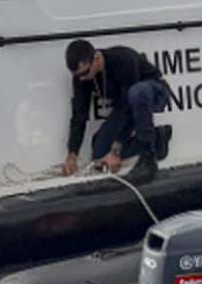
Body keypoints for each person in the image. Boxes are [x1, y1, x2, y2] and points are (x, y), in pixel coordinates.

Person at [61, 41, 173, 181]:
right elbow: (79, 114)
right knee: (99, 153)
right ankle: (157, 138)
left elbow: (130, 106)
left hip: (153, 91)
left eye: (85, 72)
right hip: (125, 104)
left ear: (96, 57)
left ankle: (147, 157)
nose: (82, 78)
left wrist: (115, 151)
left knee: (136, 93)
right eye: (78, 75)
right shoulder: (81, 79)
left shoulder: (122, 59)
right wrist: (72, 154)